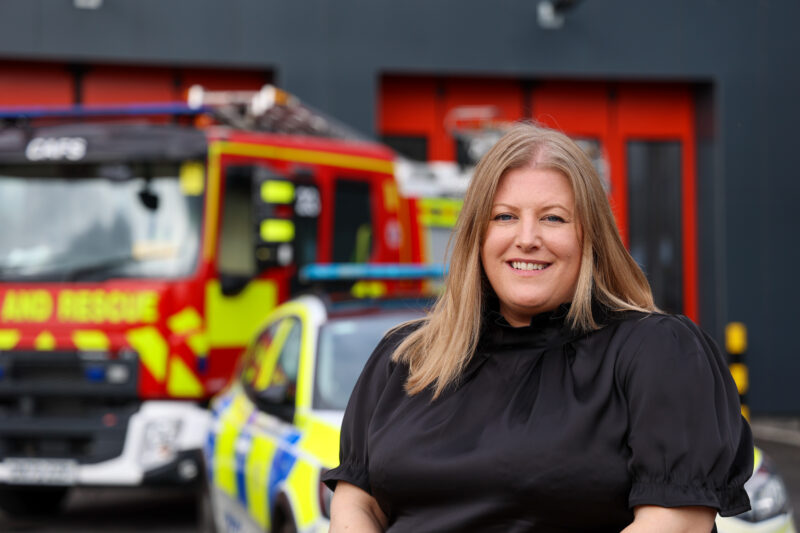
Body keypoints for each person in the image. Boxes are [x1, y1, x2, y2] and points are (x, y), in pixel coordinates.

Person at [322, 123, 752, 532]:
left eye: (553, 218)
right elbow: (356, 501)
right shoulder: (405, 357)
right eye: (505, 217)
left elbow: (678, 521)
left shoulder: (656, 352)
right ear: (477, 235)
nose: (527, 238)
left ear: (591, 237)